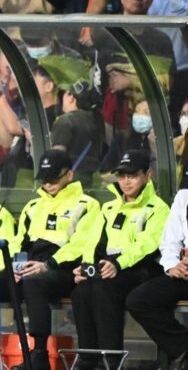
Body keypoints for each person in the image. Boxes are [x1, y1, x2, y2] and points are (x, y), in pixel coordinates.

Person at [69, 149, 168, 369]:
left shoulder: (158, 208)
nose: (126, 181)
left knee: (104, 289)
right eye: (122, 176)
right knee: (81, 291)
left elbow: (147, 246)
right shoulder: (109, 207)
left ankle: (111, 360)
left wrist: (118, 263)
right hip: (109, 267)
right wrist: (85, 267)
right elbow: (93, 241)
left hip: (141, 269)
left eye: (132, 176)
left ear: (147, 175)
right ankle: (88, 357)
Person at [13, 149, 102, 370]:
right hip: (31, 265)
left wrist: (48, 264)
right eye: (44, 179)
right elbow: (19, 242)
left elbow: (81, 243)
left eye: (53, 178)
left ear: (69, 175)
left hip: (65, 270)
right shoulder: (33, 206)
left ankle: (40, 353)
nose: (48, 183)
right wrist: (15, 266)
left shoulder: (87, 204)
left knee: (34, 283)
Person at [126, 189, 188, 370]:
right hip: (183, 271)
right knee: (139, 300)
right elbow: (170, 242)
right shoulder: (183, 196)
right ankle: (182, 348)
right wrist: (172, 266)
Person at [51, 80, 105, 188]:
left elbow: (57, 157)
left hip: (71, 183)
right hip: (93, 182)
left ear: (71, 98)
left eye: (65, 94)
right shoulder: (97, 121)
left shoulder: (65, 120)